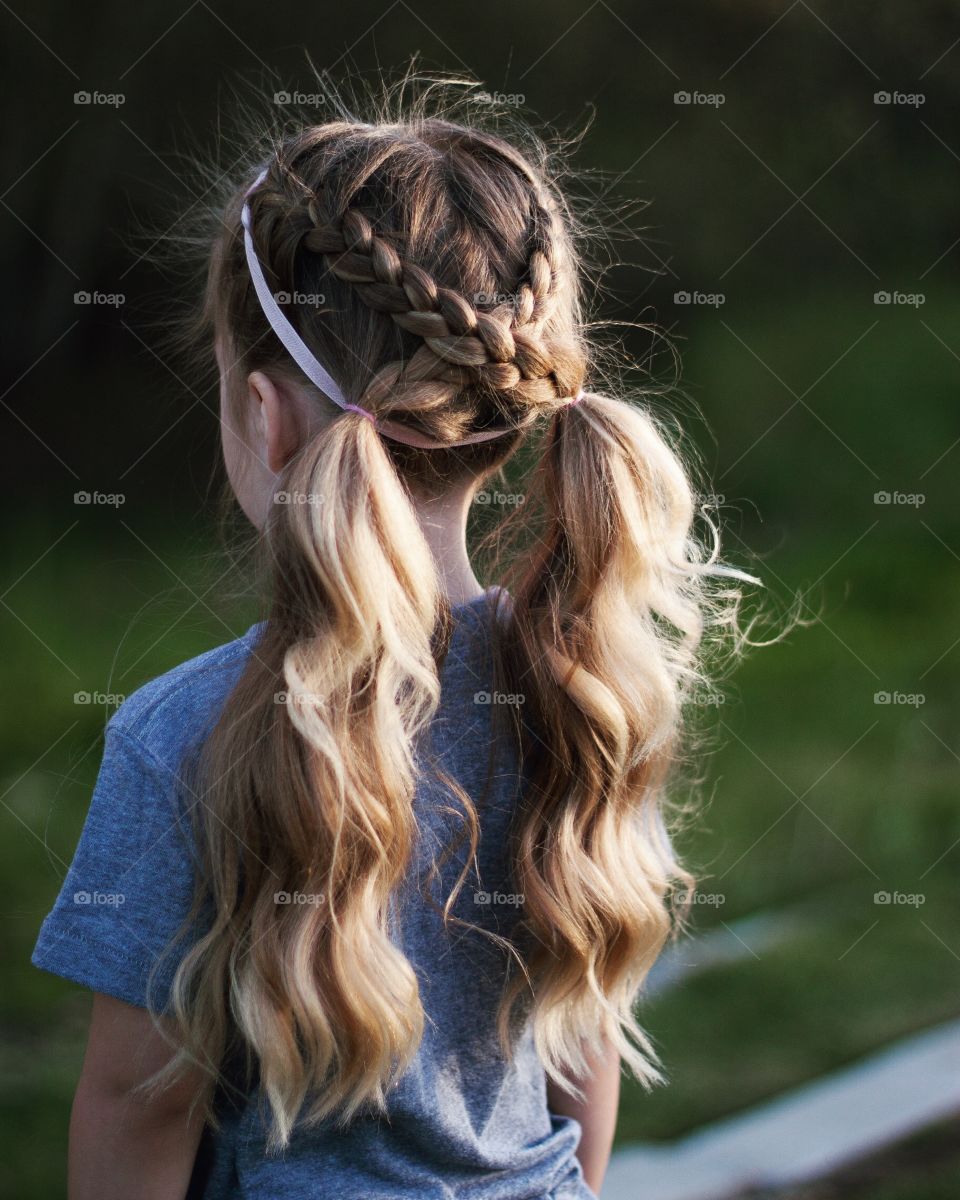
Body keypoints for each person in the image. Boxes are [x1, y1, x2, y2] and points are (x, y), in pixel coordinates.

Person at [32, 90, 755, 1200]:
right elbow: (582, 1048)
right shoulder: (586, 685)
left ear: (264, 417)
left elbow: (140, 1107)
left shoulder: (180, 739)